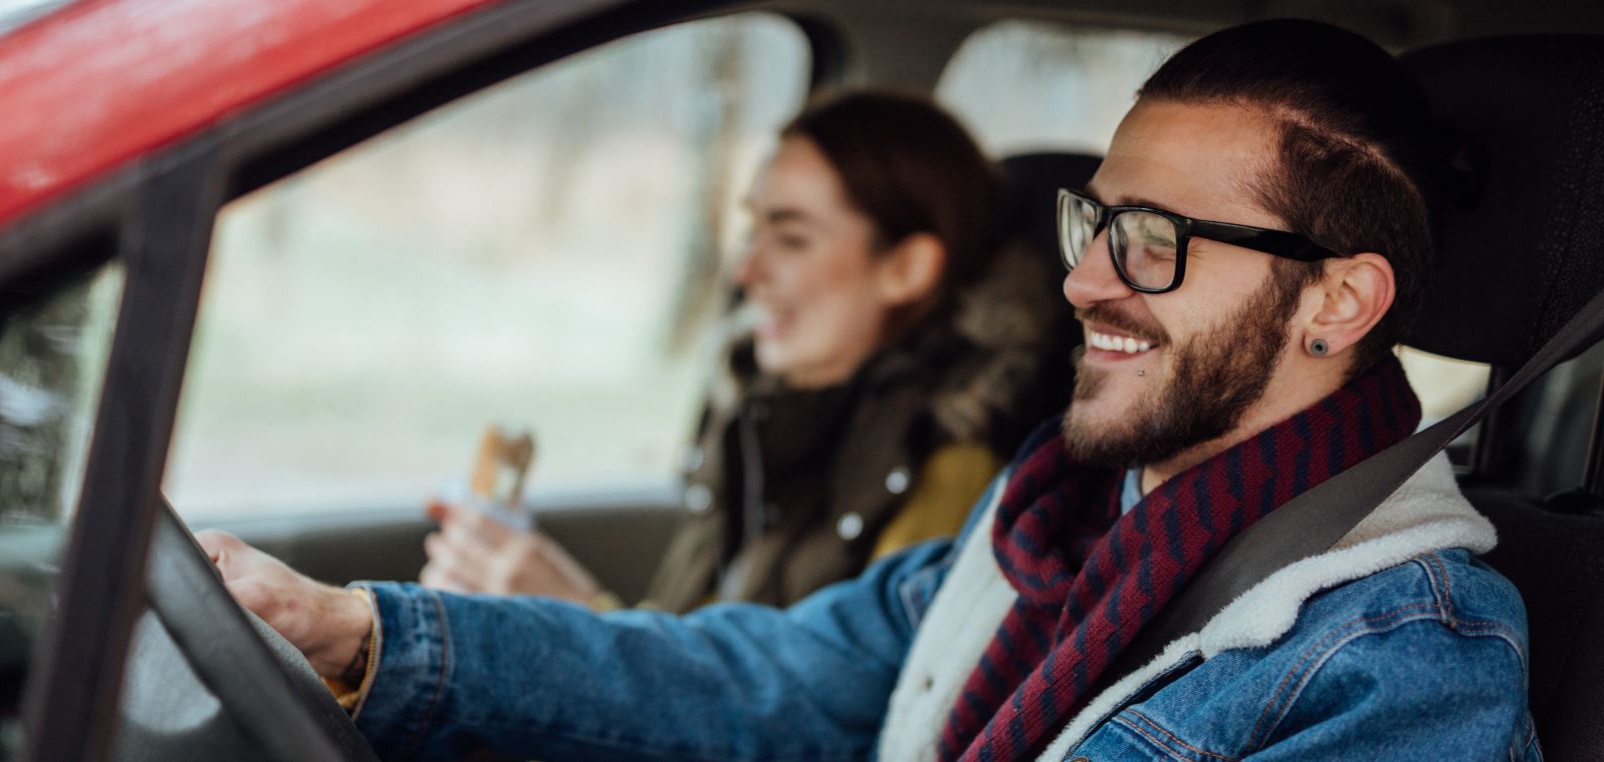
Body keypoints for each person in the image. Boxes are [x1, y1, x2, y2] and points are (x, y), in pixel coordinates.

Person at [198, 19, 1538, 761]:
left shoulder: (1404, 660)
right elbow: (777, 675)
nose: (1085, 285)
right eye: (1097, 223)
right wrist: (364, 634)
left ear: (1338, 300)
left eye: (1158, 243)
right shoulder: (1054, 510)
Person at [417, 92, 1074, 612]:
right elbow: (694, 638)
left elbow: (829, 725)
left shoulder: (953, 474)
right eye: (751, 229)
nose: (745, 271)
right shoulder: (760, 419)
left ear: (906, 267)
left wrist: (578, 617)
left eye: (790, 240)